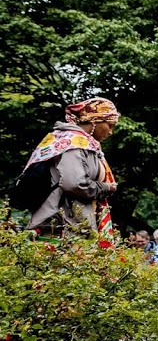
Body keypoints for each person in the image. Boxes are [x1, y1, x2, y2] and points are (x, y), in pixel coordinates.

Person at [25, 97, 120, 238]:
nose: (111, 132)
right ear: (95, 120)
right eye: (110, 125)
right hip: (61, 225)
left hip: (70, 223)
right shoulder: (73, 143)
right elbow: (74, 184)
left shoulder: (84, 144)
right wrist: (106, 188)